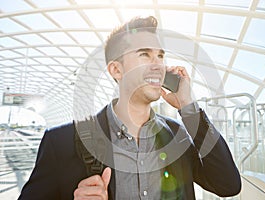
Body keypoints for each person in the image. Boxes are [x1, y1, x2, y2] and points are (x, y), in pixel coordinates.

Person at [18, 16, 241, 200]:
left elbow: (228, 185)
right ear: (116, 70)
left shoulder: (178, 136)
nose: (158, 64)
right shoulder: (62, 142)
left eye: (160, 56)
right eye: (144, 54)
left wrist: (188, 108)